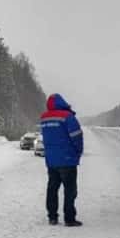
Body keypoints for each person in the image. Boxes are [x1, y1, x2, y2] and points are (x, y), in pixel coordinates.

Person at [40, 93, 84, 226]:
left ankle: (52, 216)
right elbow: (76, 136)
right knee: (70, 190)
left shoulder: (44, 118)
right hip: (67, 159)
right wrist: (78, 151)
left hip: (51, 160)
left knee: (52, 188)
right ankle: (69, 218)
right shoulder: (67, 117)